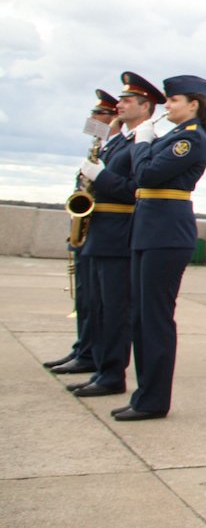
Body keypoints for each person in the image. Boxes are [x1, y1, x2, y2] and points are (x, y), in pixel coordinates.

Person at [116, 73, 206, 422]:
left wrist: (142, 142)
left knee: (155, 319)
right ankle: (144, 393)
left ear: (193, 104)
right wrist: (144, 145)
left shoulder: (189, 139)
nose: (168, 106)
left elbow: (144, 175)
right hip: (149, 229)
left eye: (174, 100)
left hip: (166, 232)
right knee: (141, 316)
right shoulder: (173, 136)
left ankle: (154, 399)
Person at [67, 73, 161, 398]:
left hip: (119, 233)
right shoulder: (121, 141)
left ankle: (111, 374)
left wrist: (100, 175)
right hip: (100, 231)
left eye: (127, 100)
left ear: (145, 106)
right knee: (97, 304)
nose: (119, 104)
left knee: (115, 311)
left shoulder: (142, 142)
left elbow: (136, 189)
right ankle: (97, 364)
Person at [45, 89, 120, 376]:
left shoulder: (116, 146)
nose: (91, 119)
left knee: (96, 300)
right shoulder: (101, 147)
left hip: (105, 229)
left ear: (112, 117)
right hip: (90, 228)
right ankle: (83, 348)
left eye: (98, 114)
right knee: (85, 296)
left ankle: (90, 354)